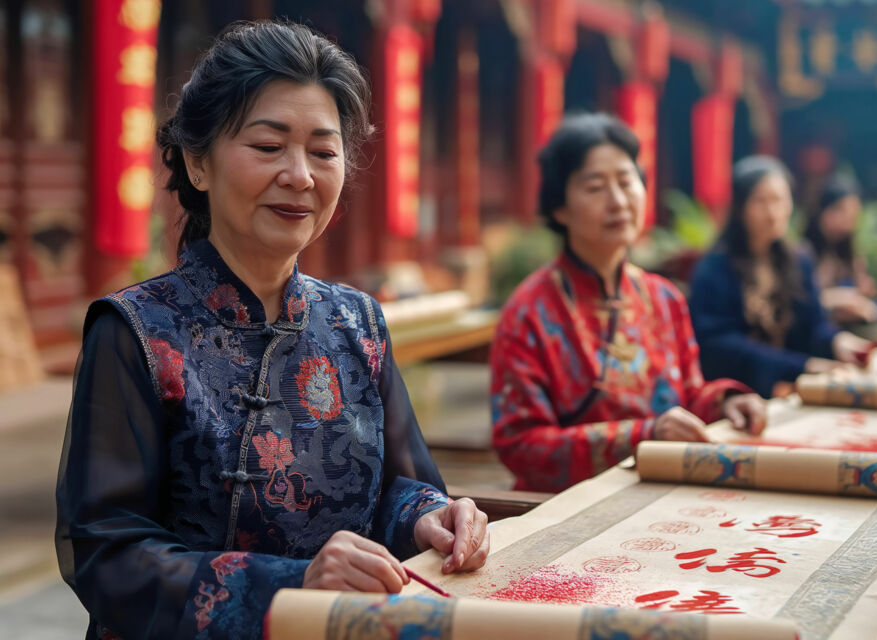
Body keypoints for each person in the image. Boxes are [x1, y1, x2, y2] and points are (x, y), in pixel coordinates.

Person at [56, 21, 488, 640]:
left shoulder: (358, 322)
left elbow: (401, 486)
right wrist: (291, 586)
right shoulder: (136, 333)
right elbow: (108, 554)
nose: (300, 175)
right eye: (267, 146)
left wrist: (430, 518)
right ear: (197, 164)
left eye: (323, 150)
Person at [489, 113, 766, 493]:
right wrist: (644, 435)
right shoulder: (530, 311)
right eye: (595, 186)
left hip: (666, 493)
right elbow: (521, 447)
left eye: (626, 181)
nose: (618, 200)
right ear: (559, 207)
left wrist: (725, 402)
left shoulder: (664, 298)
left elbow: (688, 396)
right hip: (567, 507)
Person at [688, 156, 872, 398]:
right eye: (760, 201)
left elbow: (813, 324)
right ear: (740, 207)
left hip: (793, 392)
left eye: (779, 200)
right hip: (736, 395)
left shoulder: (798, 260)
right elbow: (719, 345)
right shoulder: (714, 268)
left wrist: (836, 341)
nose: (772, 212)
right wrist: (800, 367)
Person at [805, 174, 877, 326]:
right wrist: (835, 298)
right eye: (841, 211)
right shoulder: (801, 253)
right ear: (823, 210)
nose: (848, 220)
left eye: (853, 214)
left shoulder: (850, 256)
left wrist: (867, 305)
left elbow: (873, 304)